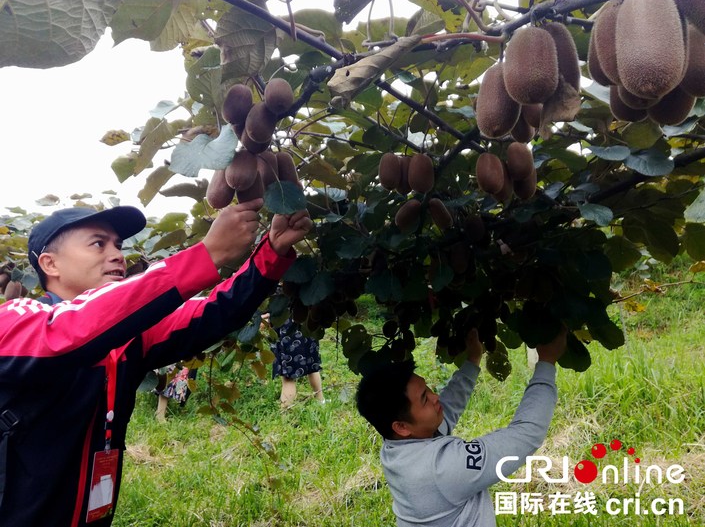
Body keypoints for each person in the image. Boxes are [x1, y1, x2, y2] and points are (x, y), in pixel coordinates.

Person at [0, 199, 312, 527]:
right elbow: (69, 333)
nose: (118, 255)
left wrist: (272, 251)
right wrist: (207, 254)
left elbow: (216, 310)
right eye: (98, 243)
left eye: (118, 245)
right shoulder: (14, 320)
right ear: (50, 264)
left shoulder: (132, 337)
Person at [355, 327, 567, 527]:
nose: (435, 396)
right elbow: (524, 435)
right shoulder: (442, 468)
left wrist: (473, 360)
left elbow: (446, 409)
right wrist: (546, 362)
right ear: (401, 426)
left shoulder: (399, 445)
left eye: (428, 389)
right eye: (424, 398)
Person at [267, 316, 324, 408]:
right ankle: (321, 401)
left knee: (288, 377)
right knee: (312, 365)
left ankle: (285, 415)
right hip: (307, 321)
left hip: (287, 325)